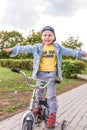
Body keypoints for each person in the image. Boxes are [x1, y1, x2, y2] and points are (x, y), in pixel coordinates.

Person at [3, 26, 87, 128]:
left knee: (51, 97)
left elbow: (70, 51)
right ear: (42, 37)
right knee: (38, 94)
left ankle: (52, 115)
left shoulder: (58, 48)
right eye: (45, 35)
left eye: (50, 35)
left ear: (54, 37)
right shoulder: (37, 47)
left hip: (51, 75)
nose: (47, 37)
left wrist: (82, 53)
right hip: (40, 74)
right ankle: (38, 108)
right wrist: (13, 49)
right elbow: (26, 48)